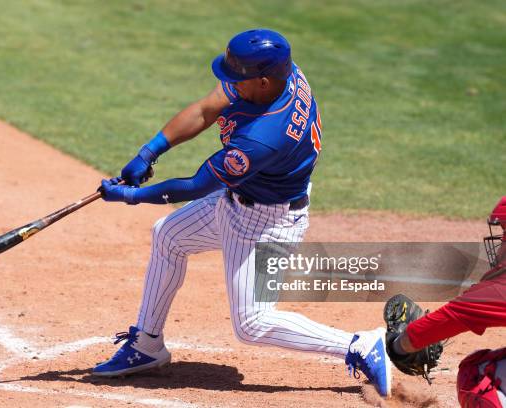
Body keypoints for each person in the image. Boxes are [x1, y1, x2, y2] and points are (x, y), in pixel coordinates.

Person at [95, 28, 391, 397]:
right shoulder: (280, 74)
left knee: (252, 324)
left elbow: (195, 186)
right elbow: (207, 108)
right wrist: (149, 152)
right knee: (169, 236)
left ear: (263, 80)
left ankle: (358, 345)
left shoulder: (264, 137)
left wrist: (131, 196)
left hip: (265, 222)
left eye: (238, 78)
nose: (229, 84)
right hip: (243, 197)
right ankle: (147, 345)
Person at [387, 196, 506, 406]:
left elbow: (419, 335)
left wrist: (394, 345)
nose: (501, 244)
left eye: (505, 234)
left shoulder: (498, 290)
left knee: (477, 372)